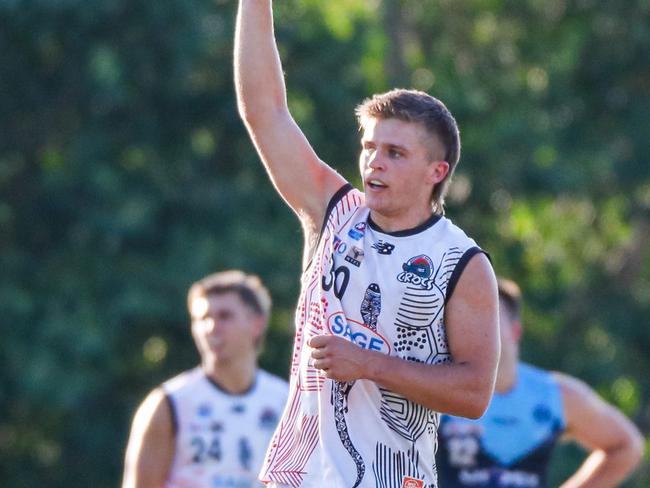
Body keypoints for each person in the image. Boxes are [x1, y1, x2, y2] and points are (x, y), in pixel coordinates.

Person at [234, 2, 500, 486]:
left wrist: (369, 365)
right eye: (369, 147)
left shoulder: (461, 262)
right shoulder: (333, 211)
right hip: (294, 476)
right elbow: (264, 111)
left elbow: (474, 393)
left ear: (435, 172)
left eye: (395, 153)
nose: (374, 162)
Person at [436, 278, 645, 488]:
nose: (478, 330)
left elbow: (627, 446)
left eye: (489, 319)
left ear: (515, 331)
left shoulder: (554, 395)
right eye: (468, 320)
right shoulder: (441, 390)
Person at [122, 270, 289, 488]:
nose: (211, 328)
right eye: (203, 319)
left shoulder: (286, 402)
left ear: (256, 324)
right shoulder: (169, 403)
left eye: (225, 316)